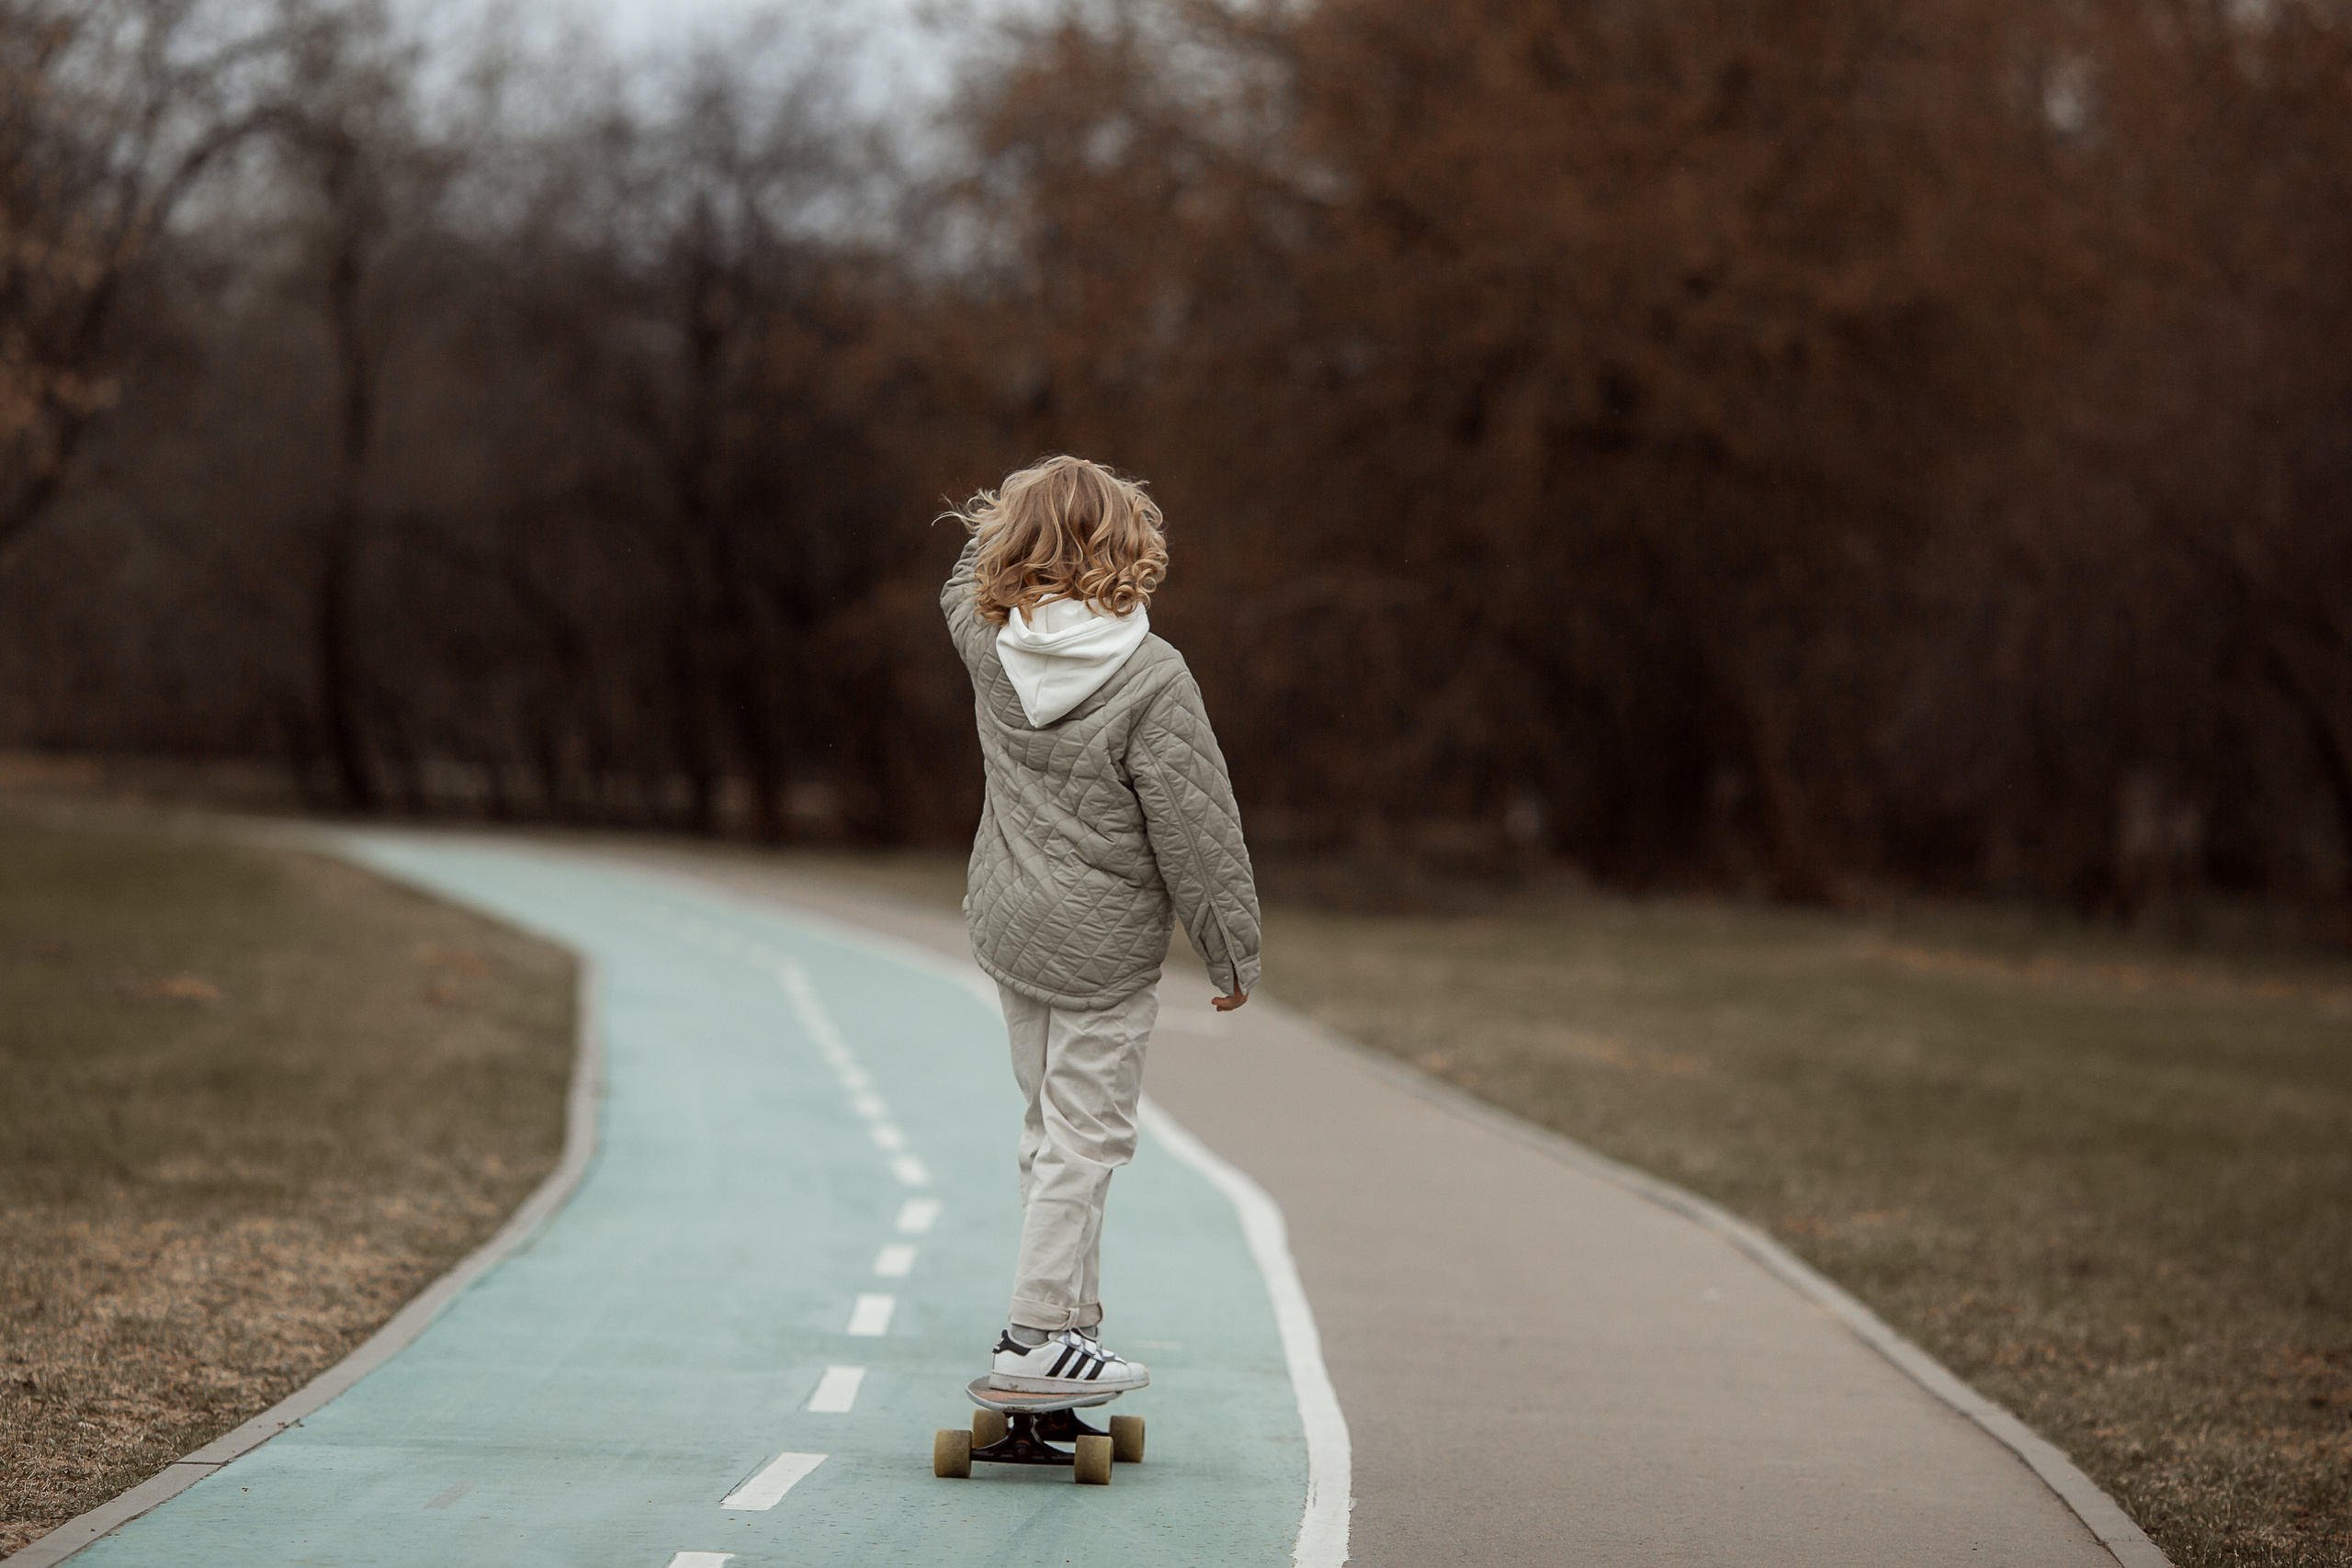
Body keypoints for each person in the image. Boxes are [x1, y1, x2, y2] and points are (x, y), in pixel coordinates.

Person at [939, 455, 1261, 1394]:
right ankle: (1037, 1334)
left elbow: (964, 573)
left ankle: (1068, 1322)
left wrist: (1019, 520)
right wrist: (1229, 948)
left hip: (1009, 922)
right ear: (1130, 546)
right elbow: (1197, 831)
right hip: (1105, 946)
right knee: (1087, 1140)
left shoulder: (982, 633)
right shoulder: (1153, 675)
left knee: (1048, 1130)